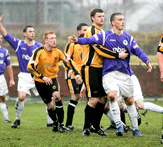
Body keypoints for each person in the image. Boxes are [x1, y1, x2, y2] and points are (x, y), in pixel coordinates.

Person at [69, 12, 152, 137]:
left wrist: (146, 60)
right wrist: (77, 40)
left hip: (118, 72)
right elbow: (92, 43)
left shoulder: (127, 37)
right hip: (101, 71)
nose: (123, 22)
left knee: (117, 100)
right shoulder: (101, 34)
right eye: (119, 19)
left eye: (124, 19)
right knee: (103, 97)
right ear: (113, 22)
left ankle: (129, 128)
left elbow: (137, 50)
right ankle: (107, 126)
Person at [75, 9, 128, 137]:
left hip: (101, 69)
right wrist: (117, 55)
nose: (102, 18)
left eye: (103, 16)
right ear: (92, 18)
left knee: (104, 98)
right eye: (99, 16)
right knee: (93, 99)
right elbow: (99, 50)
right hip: (91, 67)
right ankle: (86, 128)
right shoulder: (92, 31)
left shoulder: (102, 32)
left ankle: (96, 126)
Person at [0, 12, 44, 128]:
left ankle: (51, 121)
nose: (32, 33)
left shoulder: (39, 46)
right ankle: (17, 119)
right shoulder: (18, 44)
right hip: (24, 75)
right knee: (21, 97)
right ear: (24, 33)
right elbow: (6, 35)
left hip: (37, 75)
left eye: (33, 32)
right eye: (30, 31)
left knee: (49, 98)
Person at [27, 31, 83, 133]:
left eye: (55, 38)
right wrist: (42, 77)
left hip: (52, 79)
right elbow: (30, 67)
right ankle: (55, 122)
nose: (54, 40)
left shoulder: (58, 52)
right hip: (40, 81)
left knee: (57, 96)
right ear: (46, 40)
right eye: (51, 38)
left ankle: (62, 125)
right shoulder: (38, 51)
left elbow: (69, 61)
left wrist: (77, 73)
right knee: (50, 106)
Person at [64, 23, 88, 131]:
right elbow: (66, 59)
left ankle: (92, 124)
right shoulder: (72, 44)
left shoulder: (89, 44)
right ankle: (68, 124)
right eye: (84, 30)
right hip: (74, 75)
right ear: (78, 32)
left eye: (87, 30)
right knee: (75, 97)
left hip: (86, 74)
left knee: (91, 98)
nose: (86, 32)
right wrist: (72, 71)